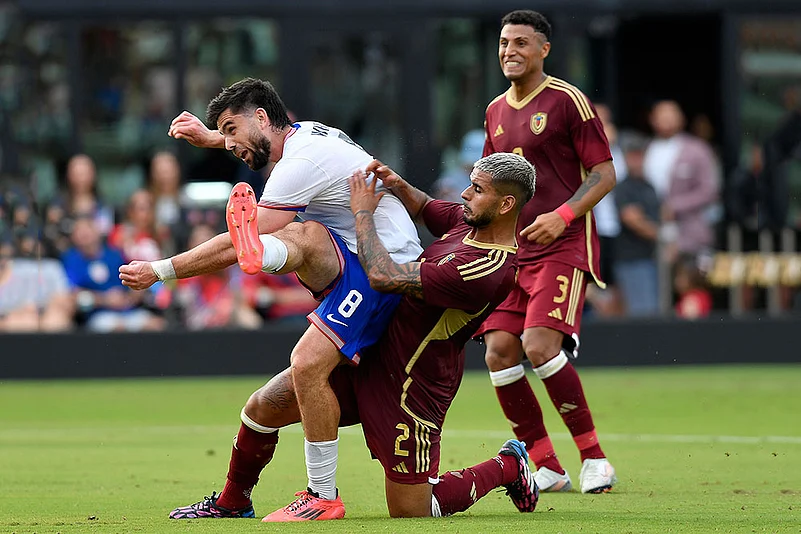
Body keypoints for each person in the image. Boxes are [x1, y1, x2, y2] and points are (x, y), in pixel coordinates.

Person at [169, 152, 539, 521]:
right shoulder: (470, 223)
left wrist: (362, 212)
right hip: (371, 344)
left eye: (476, 189)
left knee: (412, 509)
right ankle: (233, 503)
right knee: (263, 406)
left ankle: (508, 464)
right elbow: (426, 206)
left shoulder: (487, 269)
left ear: (506, 204)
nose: (465, 195)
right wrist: (398, 184)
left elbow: (383, 275)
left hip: (412, 382)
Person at [119, 78, 422, 518]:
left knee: (305, 350)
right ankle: (232, 501)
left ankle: (322, 497)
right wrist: (213, 138)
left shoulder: (300, 164)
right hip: (352, 263)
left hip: (384, 273)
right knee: (261, 408)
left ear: (262, 118)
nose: (230, 143)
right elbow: (260, 141)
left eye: (231, 129)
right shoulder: (304, 135)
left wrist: (160, 271)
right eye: (224, 133)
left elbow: (226, 247)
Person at [477, 10, 617, 494]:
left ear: (543, 50)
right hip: (515, 251)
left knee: (538, 347)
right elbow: (492, 185)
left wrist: (563, 215)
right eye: (503, 43)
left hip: (563, 243)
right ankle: (547, 466)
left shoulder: (566, 101)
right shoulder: (495, 111)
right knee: (498, 352)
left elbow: (604, 173)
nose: (509, 51)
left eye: (520, 42)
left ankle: (595, 459)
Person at [614, 133, 661, 316]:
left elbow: (664, 212)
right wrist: (661, 234)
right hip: (631, 259)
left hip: (652, 257)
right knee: (641, 312)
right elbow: (632, 219)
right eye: (632, 155)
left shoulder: (649, 185)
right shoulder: (624, 187)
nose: (636, 159)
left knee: (655, 311)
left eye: (639, 154)